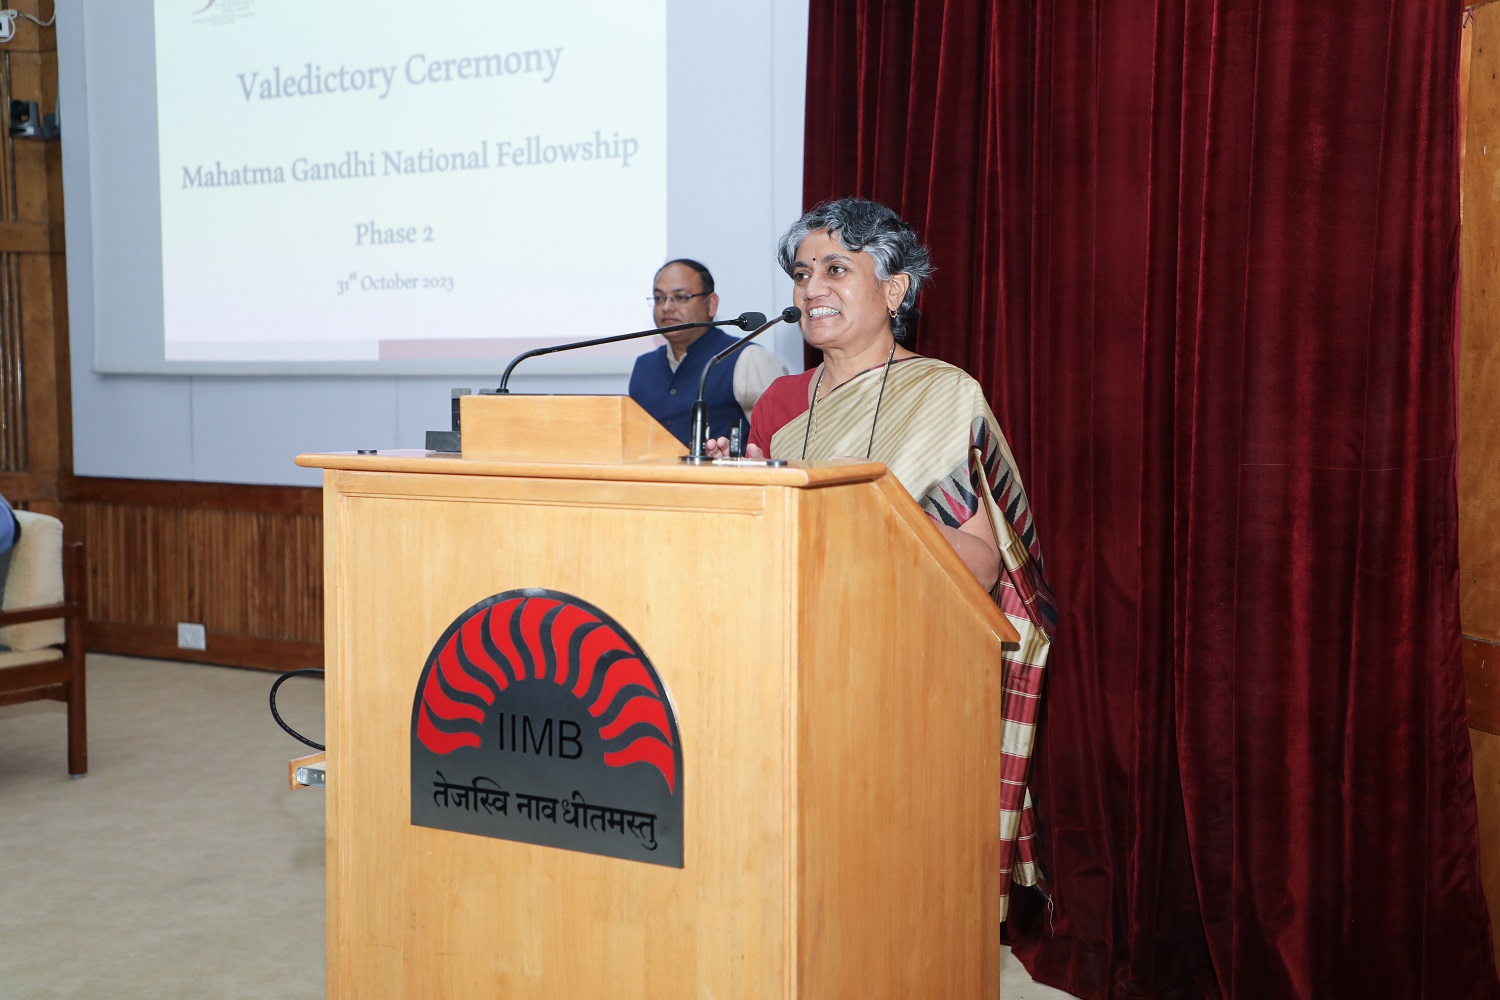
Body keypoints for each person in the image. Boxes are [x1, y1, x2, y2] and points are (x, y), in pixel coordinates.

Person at [708, 197, 1056, 917]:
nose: (810, 289)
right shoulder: (780, 400)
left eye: (836, 268)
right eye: (803, 274)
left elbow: (985, 569)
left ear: (895, 289)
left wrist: (875, 499)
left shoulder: (943, 393)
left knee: (880, 898)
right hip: (783, 671)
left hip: (902, 679)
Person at [628, 258, 787, 447]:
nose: (667, 307)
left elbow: (782, 444)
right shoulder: (644, 366)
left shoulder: (748, 359)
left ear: (711, 304)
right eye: (659, 298)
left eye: (681, 297)